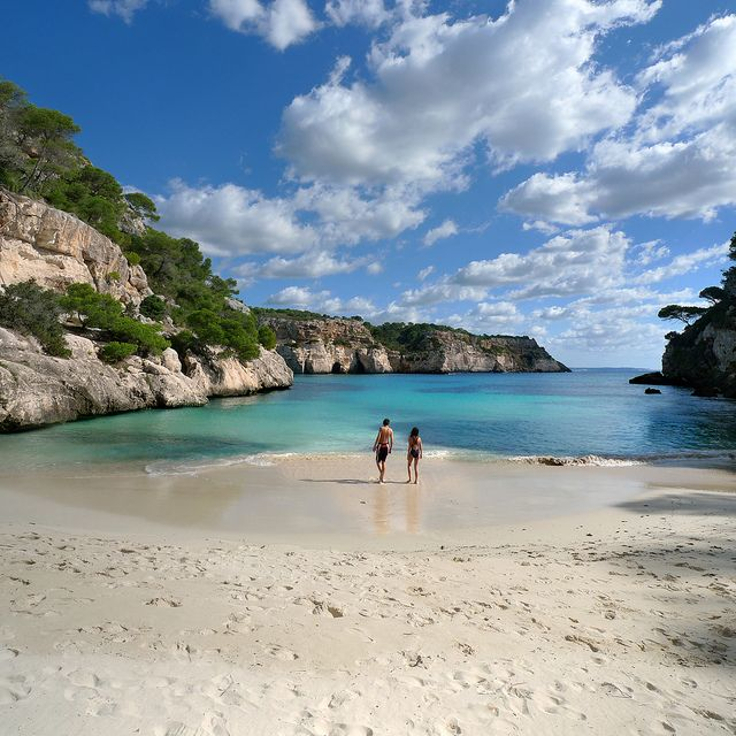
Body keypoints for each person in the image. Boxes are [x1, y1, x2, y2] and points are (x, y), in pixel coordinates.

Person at [373, 418, 393, 484]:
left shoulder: (381, 428)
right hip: (387, 446)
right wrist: (390, 448)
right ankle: (382, 477)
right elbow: (392, 440)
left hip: (380, 446)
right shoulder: (390, 430)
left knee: (377, 461)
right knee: (383, 462)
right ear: (388, 424)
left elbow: (378, 437)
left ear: (383, 423)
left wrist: (375, 446)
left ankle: (381, 474)